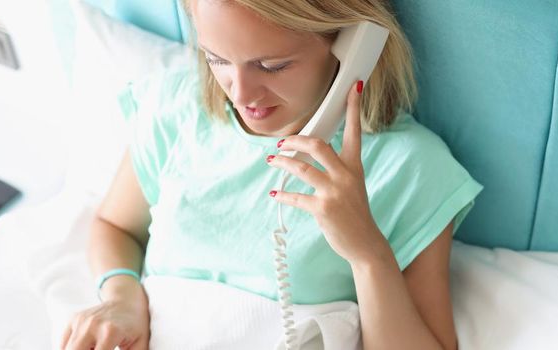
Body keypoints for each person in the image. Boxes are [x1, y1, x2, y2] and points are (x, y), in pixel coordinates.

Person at [61, 0, 482, 349]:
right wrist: (121, 298)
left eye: (272, 65)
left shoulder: (409, 167)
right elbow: (115, 225)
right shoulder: (176, 110)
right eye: (218, 59)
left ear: (352, 42)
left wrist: (367, 252)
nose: (241, 92)